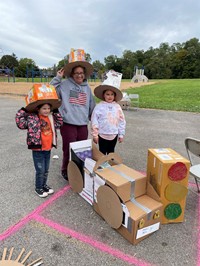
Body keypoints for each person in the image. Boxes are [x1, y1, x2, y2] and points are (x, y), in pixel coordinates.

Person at [50, 48, 96, 180]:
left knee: (82, 150)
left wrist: (95, 122)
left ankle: (79, 169)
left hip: (82, 124)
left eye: (81, 73)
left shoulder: (87, 88)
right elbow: (50, 91)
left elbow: (91, 105)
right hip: (68, 124)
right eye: (76, 73)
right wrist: (58, 77)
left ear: (85, 74)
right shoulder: (64, 85)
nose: (79, 75)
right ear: (72, 74)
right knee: (68, 149)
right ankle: (65, 169)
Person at [15, 84, 63, 198]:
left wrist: (56, 111)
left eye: (48, 108)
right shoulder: (32, 118)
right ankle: (38, 187)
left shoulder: (51, 117)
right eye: (44, 108)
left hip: (47, 148)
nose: (47, 111)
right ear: (38, 109)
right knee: (40, 170)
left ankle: (44, 185)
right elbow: (20, 123)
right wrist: (24, 110)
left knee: (46, 169)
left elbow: (59, 123)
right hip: (37, 148)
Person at [91, 70, 126, 155]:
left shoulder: (117, 107)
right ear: (104, 95)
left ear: (114, 96)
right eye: (107, 94)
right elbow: (94, 120)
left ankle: (110, 168)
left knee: (111, 153)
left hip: (113, 134)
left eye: (112, 94)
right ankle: (103, 168)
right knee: (102, 153)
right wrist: (95, 135)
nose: (110, 96)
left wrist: (121, 134)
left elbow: (122, 120)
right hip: (102, 134)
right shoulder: (99, 107)